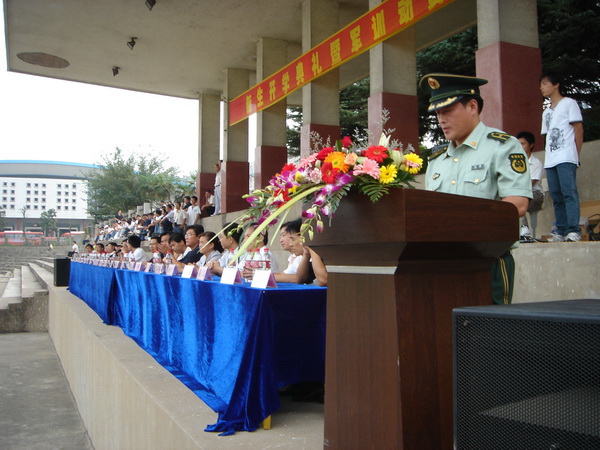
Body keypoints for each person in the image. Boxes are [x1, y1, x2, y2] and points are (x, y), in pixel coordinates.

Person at [420, 73, 531, 305]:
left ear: (472, 106)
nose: (441, 119)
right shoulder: (437, 159)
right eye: (438, 113)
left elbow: (518, 204)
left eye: (448, 110)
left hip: (487, 260)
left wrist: (463, 223)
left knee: (490, 334)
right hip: (444, 263)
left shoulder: (502, 146)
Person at [540, 72, 584, 242]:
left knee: (569, 193)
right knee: (557, 196)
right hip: (551, 159)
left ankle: (574, 230)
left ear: (556, 84)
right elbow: (547, 136)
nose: (541, 87)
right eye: (541, 84)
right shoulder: (546, 112)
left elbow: (578, 129)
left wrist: (576, 154)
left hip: (566, 156)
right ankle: (561, 230)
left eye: (544, 83)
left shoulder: (569, 103)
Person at [273, 218, 327, 285]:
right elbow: (299, 279)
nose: (291, 244)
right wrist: (306, 254)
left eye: (293, 239)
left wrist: (311, 248)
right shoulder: (302, 257)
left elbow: (323, 280)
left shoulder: (317, 254)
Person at [516, 131, 545, 240]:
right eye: (518, 144)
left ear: (531, 145)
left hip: (536, 195)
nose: (520, 147)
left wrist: (515, 188)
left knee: (519, 197)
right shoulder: (515, 163)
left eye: (523, 144)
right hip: (521, 193)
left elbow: (532, 182)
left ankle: (524, 228)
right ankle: (523, 230)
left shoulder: (536, 163)